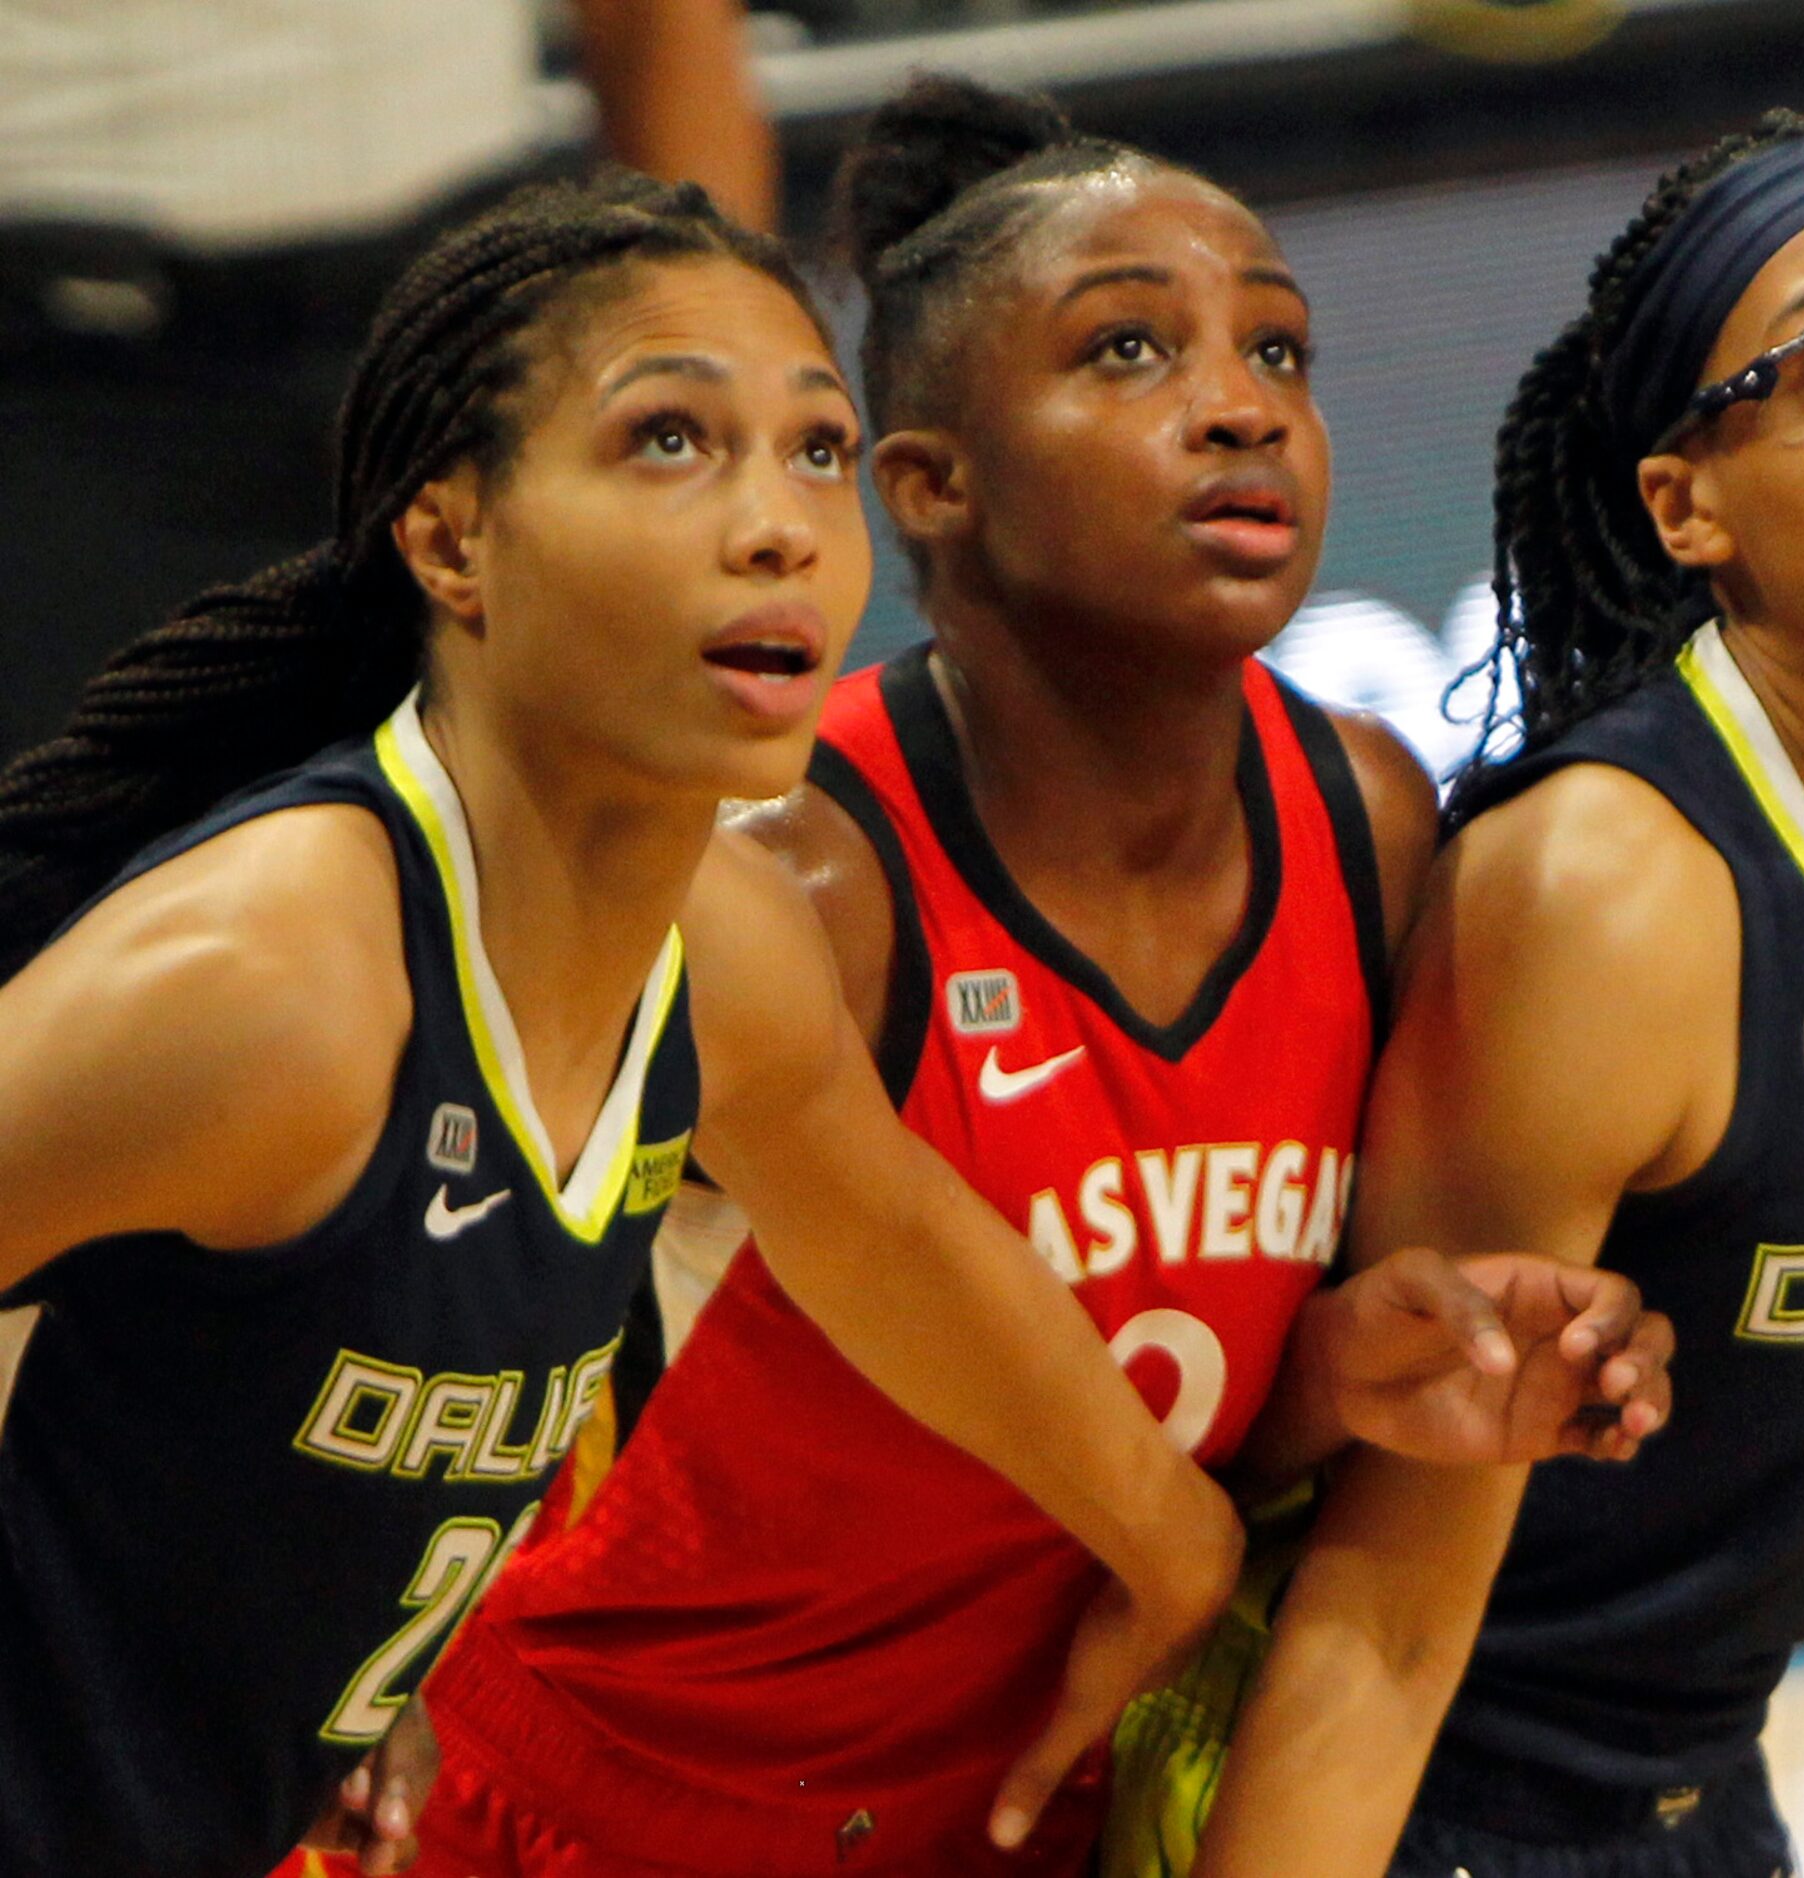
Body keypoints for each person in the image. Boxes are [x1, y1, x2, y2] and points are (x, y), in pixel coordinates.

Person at [400, 77, 1674, 1878]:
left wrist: (1360, 1370)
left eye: (1278, 354)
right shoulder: (801, 879)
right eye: (1130, 351)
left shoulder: (1361, 815)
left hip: (1030, 1807)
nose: (1240, 406)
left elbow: (1173, 1392)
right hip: (619, 1810)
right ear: (929, 482)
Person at [0, 168, 1247, 1878]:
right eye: (669, 440)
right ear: (453, 541)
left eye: (815, 448)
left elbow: (883, 1235)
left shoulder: (715, 946)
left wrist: (1174, 1545)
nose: (778, 524)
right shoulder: (279, 983)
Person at [1182, 113, 1804, 1877]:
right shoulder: (1609, 892)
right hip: (1451, 1803)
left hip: (1697, 1774)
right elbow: (1379, 1614)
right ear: (1683, 501)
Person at [0, 0, 778, 766]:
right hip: (66, 372)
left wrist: (724, 370)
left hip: (484, 334)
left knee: (612, 848)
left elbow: (657, 23)